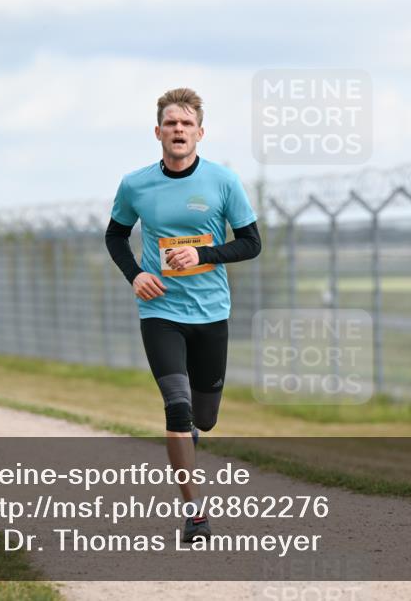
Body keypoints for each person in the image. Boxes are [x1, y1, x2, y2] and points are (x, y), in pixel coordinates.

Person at [104, 88, 261, 543]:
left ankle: (189, 436)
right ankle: (195, 515)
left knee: (204, 418)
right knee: (177, 406)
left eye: (186, 124)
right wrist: (135, 275)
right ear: (158, 132)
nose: (178, 130)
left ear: (200, 133)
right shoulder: (135, 184)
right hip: (160, 310)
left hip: (211, 312)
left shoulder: (222, 181)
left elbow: (251, 243)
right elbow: (115, 237)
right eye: (170, 123)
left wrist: (203, 253)